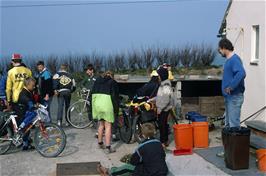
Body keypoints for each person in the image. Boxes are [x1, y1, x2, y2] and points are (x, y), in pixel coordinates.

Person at [97, 123, 168, 176]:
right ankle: (112, 171)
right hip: (163, 171)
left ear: (143, 135)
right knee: (135, 170)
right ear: (154, 133)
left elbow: (133, 162)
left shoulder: (141, 146)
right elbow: (163, 156)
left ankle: (110, 171)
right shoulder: (159, 143)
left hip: (151, 173)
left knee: (128, 168)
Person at [217, 38, 246, 157]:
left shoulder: (234, 59)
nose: (219, 51)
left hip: (234, 97)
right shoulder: (229, 60)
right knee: (228, 125)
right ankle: (228, 152)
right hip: (230, 98)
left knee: (234, 126)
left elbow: (241, 73)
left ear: (224, 48)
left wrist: (231, 86)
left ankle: (235, 154)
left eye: (220, 49)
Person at [92, 71, 119, 153]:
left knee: (101, 124)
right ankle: (108, 147)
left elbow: (92, 94)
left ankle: (100, 143)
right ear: (112, 76)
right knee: (108, 126)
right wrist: (116, 108)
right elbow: (115, 96)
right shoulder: (112, 82)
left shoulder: (97, 81)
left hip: (97, 104)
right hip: (107, 104)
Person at [16, 77, 37, 150]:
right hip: (21, 112)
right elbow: (25, 98)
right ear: (27, 85)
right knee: (33, 114)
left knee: (28, 128)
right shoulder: (24, 92)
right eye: (32, 85)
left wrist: (37, 104)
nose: (34, 87)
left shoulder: (29, 91)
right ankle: (21, 126)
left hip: (25, 110)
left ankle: (26, 144)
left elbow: (33, 100)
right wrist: (31, 103)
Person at [156, 66, 174, 148]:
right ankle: (164, 141)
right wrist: (152, 99)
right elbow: (161, 96)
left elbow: (166, 99)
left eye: (159, 75)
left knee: (162, 125)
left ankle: (163, 142)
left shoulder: (166, 84)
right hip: (163, 108)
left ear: (162, 75)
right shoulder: (163, 84)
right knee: (162, 125)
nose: (158, 77)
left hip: (164, 109)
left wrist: (160, 108)